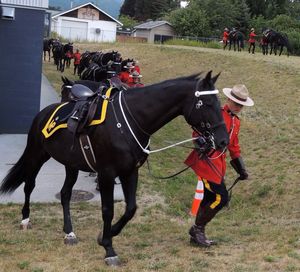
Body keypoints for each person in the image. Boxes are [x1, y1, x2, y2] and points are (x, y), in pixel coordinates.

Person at [184, 84, 254, 247]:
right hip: (206, 160)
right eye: (236, 103)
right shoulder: (216, 114)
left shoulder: (236, 122)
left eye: (241, 105)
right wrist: (200, 142)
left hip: (219, 163)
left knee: (209, 197)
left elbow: (234, 146)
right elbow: (197, 132)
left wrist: (241, 169)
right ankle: (197, 229)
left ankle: (197, 234)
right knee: (221, 197)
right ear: (229, 99)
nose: (238, 107)